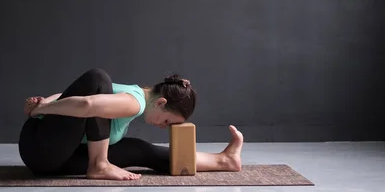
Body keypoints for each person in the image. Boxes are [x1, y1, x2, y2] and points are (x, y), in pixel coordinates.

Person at [18, 68, 243, 181]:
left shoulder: (129, 98)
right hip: (41, 148)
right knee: (98, 77)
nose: (163, 126)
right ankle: (99, 165)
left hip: (54, 157)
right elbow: (86, 103)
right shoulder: (133, 102)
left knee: (139, 149)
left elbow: (69, 96)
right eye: (167, 121)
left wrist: (44, 101)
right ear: (161, 102)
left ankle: (224, 160)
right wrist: (41, 109)